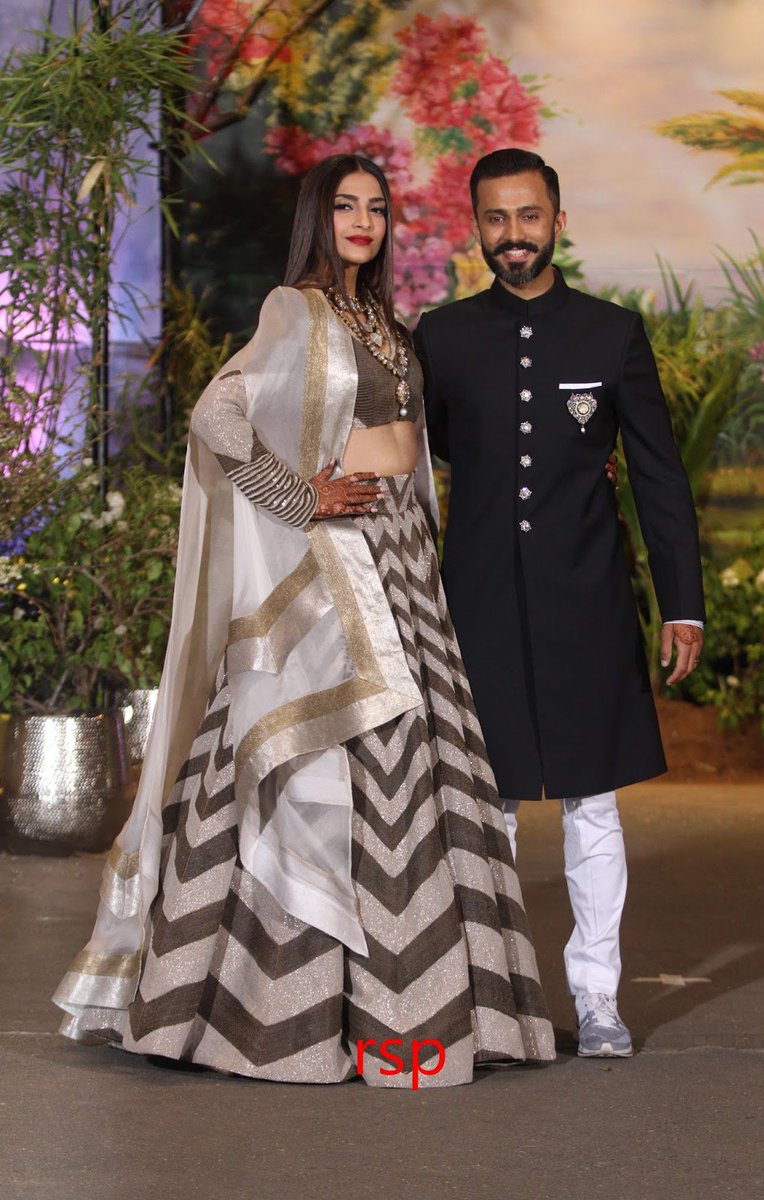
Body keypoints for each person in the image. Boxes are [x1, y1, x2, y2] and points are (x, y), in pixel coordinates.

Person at [53, 154, 557, 1087]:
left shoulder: (387, 321)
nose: (363, 220)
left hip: (406, 561)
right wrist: (299, 497)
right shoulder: (299, 311)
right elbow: (217, 413)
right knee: (342, 755)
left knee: (426, 771)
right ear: (317, 219)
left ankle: (423, 1011)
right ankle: (276, 1015)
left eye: (376, 206)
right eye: (345, 206)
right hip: (341, 563)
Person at [414, 148, 705, 1058]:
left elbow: (657, 475)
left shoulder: (611, 333)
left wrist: (682, 604)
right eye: (496, 220)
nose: (513, 237)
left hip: (588, 603)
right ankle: (496, 999)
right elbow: (433, 458)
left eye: (528, 218)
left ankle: (599, 1001)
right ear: (477, 226)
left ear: (557, 220)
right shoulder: (442, 336)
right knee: (486, 808)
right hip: (480, 606)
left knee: (592, 806)